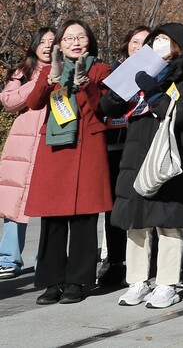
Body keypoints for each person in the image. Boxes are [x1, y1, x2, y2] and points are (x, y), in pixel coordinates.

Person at [102, 23, 183, 310]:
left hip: (171, 154)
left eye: (165, 39)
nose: (159, 44)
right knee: (136, 220)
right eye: (155, 39)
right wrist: (119, 87)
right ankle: (137, 281)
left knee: (169, 221)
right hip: (136, 152)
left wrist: (156, 93)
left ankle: (166, 284)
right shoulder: (138, 68)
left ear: (180, 45)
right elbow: (107, 108)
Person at [25, 20, 113, 305]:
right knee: (52, 217)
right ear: (59, 45)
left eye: (81, 37)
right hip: (56, 150)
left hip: (87, 147)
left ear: (90, 41)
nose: (75, 42)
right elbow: (34, 103)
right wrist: (50, 79)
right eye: (68, 38)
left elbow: (104, 107)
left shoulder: (100, 69)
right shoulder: (53, 69)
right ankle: (53, 281)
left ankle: (78, 281)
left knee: (84, 217)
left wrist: (86, 85)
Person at [0, 28, 54, 279]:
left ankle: (45, 260)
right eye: (42, 41)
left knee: (49, 206)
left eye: (52, 42)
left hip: (50, 143)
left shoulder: (66, 71)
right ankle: (9, 259)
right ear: (34, 45)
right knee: (14, 204)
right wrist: (39, 80)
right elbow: (9, 102)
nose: (46, 46)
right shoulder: (21, 72)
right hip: (21, 147)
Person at [98, 25, 150, 287]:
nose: (138, 46)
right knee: (115, 208)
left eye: (145, 42)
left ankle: (145, 261)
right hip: (115, 147)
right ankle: (115, 260)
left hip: (144, 146)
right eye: (134, 41)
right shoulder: (113, 72)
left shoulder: (159, 74)